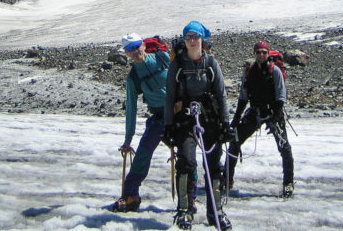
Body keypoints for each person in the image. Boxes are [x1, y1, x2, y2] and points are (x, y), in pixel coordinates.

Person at [162, 21, 234, 230]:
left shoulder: (211, 64)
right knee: (187, 163)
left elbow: (221, 95)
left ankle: (216, 211)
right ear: (185, 41)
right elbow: (170, 97)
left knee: (214, 167)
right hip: (185, 122)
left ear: (202, 39)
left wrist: (225, 123)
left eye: (196, 37)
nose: (192, 41)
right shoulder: (177, 65)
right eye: (189, 37)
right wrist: (168, 125)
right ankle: (184, 210)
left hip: (210, 121)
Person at [110, 33, 170, 212]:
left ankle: (189, 199)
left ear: (143, 45)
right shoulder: (133, 78)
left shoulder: (162, 57)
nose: (135, 51)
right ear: (127, 54)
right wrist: (128, 140)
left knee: (186, 155)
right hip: (159, 116)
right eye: (130, 49)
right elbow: (131, 109)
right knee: (142, 153)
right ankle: (130, 196)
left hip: (179, 112)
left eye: (137, 46)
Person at [227, 41, 295, 198]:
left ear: (268, 54)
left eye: (264, 52)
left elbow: (281, 95)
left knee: (284, 147)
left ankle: (288, 183)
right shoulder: (249, 71)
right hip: (255, 112)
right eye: (258, 52)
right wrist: (236, 118)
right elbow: (243, 96)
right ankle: (227, 179)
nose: (261, 55)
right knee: (235, 141)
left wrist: (276, 117)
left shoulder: (275, 71)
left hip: (273, 113)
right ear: (254, 53)